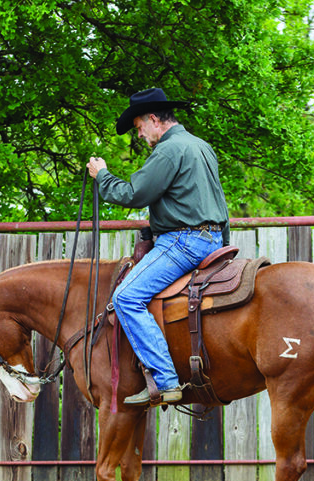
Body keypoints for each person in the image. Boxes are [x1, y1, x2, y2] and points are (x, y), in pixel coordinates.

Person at [86, 87, 230, 406]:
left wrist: (102, 176)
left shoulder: (169, 150)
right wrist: (223, 246)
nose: (139, 134)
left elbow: (134, 195)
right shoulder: (201, 146)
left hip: (183, 242)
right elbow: (217, 202)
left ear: (153, 119)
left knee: (126, 297)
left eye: (138, 127)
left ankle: (165, 381)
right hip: (213, 240)